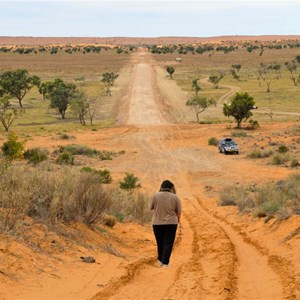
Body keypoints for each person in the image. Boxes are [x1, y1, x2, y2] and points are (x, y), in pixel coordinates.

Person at [150, 180, 181, 268]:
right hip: (171, 222)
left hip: (157, 222)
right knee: (168, 242)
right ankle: (165, 263)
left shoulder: (155, 195)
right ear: (171, 188)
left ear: (161, 187)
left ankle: (160, 260)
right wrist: (177, 221)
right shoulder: (175, 197)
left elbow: (150, 207)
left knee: (160, 242)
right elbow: (178, 212)